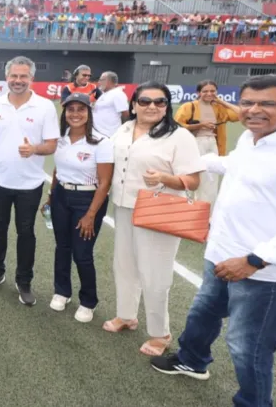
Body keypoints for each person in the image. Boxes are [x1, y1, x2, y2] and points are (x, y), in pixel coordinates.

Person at [151, 74, 276, 407]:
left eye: (267, 104)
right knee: (203, 312)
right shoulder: (251, 138)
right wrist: (191, 163)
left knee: (248, 346)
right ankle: (192, 359)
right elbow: (234, 165)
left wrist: (253, 260)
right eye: (247, 102)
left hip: (265, 271)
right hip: (221, 252)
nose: (253, 110)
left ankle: (253, 402)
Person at [104, 82, 204, 356]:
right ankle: (126, 315)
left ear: (167, 106)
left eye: (159, 102)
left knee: (155, 275)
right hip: (124, 207)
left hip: (159, 211)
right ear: (133, 104)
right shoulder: (123, 129)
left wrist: (164, 178)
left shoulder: (178, 136)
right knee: (123, 266)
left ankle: (160, 334)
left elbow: (193, 181)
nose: (151, 106)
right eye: (145, 101)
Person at [0, 56, 60, 306]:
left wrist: (34, 149)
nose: (18, 80)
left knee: (26, 233)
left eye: (23, 76)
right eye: (14, 76)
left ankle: (24, 281)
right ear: (7, 77)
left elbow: (51, 144)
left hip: (29, 184)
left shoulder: (45, 106)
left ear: (31, 78)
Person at [43, 93, 113, 322]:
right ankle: (62, 291)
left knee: (82, 254)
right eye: (70, 109)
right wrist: (52, 196)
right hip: (62, 195)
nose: (75, 114)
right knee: (62, 247)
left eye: (80, 109)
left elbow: (105, 183)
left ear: (89, 112)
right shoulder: (61, 139)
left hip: (88, 199)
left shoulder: (101, 142)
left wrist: (90, 214)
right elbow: (57, 170)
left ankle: (88, 301)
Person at [174, 80, 240, 208]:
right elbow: (177, 126)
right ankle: (185, 207)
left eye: (212, 91)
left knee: (210, 178)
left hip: (212, 143)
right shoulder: (189, 107)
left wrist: (221, 101)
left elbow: (240, 114)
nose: (209, 94)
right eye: (205, 91)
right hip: (194, 143)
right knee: (189, 174)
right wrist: (200, 125)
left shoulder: (219, 107)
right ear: (198, 93)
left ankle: (206, 211)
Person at [92, 71, 129, 137]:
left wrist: (123, 131)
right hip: (98, 133)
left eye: (101, 80)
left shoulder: (117, 94)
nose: (99, 82)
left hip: (109, 135)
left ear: (110, 81)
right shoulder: (105, 94)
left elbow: (125, 114)